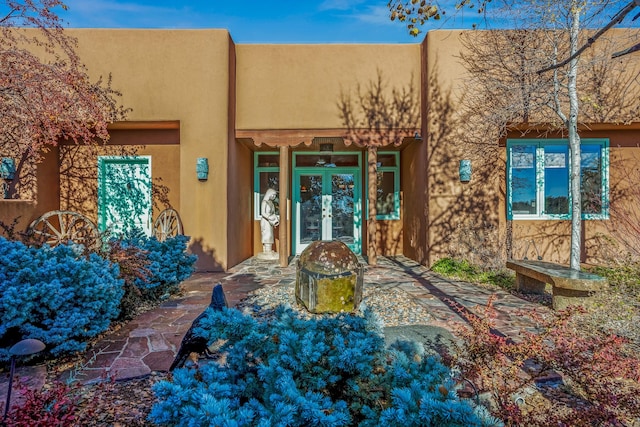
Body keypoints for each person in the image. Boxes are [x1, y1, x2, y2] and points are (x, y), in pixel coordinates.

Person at [260, 188, 280, 254]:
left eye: (275, 195)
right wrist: (269, 217)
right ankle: (267, 251)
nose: (274, 197)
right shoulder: (264, 202)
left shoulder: (271, 203)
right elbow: (263, 213)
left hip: (270, 221)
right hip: (265, 221)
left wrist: (275, 217)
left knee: (270, 235)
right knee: (267, 235)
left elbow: (273, 212)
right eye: (273, 195)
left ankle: (268, 250)